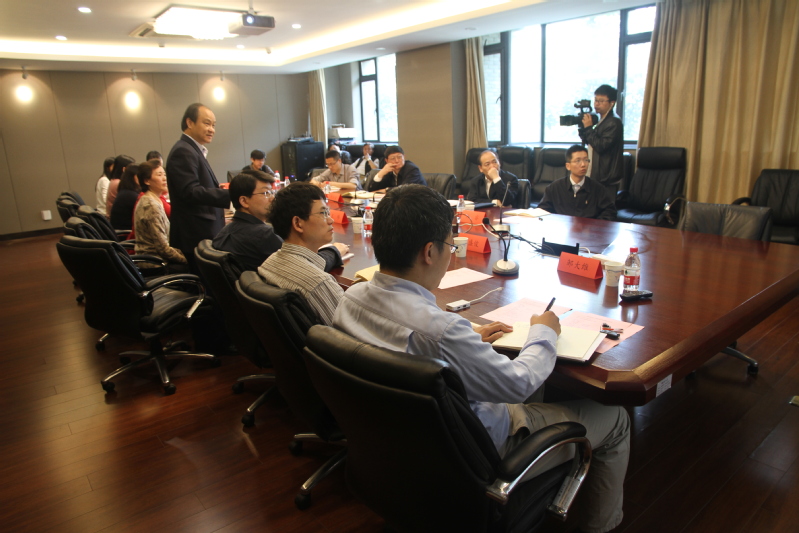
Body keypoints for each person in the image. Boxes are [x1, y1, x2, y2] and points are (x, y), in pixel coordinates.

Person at [333, 184, 629, 533]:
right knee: (617, 418)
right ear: (429, 252)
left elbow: (408, 338)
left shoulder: (351, 298)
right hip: (476, 452)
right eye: (450, 244)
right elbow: (518, 384)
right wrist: (543, 331)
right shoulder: (442, 332)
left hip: (400, 440)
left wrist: (468, 341)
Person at [213, 170, 348, 272]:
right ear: (244, 201)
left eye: (272, 192)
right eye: (266, 193)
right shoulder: (264, 236)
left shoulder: (224, 232)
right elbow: (307, 268)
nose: (272, 198)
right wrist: (334, 251)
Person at [258, 182, 345, 326]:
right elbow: (351, 333)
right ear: (298, 223)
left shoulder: (268, 263)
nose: (331, 220)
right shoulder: (318, 284)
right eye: (323, 213)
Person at [165, 103, 230, 271]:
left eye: (214, 125)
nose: (211, 129)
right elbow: (190, 191)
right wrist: (229, 195)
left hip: (201, 232)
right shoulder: (183, 151)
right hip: (195, 235)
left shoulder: (193, 149)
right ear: (190, 122)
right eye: (207, 123)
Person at [134, 160, 188, 273]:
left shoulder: (153, 199)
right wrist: (187, 260)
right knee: (196, 267)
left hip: (158, 258)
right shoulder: (151, 205)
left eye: (164, 174)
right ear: (147, 181)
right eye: (159, 175)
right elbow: (163, 248)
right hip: (155, 263)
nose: (164, 179)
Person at [538, 145, 617, 220]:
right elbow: (542, 211)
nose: (583, 164)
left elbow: (610, 212)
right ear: (568, 166)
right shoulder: (554, 188)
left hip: (589, 229)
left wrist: (595, 225)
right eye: (578, 161)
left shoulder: (598, 189)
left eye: (586, 160)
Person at [578, 84, 624, 193]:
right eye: (596, 100)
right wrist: (583, 128)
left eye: (601, 101)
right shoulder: (602, 121)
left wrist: (588, 128)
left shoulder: (613, 122)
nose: (596, 104)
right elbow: (590, 141)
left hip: (606, 178)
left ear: (612, 103)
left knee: (604, 204)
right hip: (597, 176)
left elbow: (601, 146)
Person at [109, 164, 140, 233]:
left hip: (120, 232)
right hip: (125, 234)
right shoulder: (131, 196)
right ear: (135, 177)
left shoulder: (125, 192)